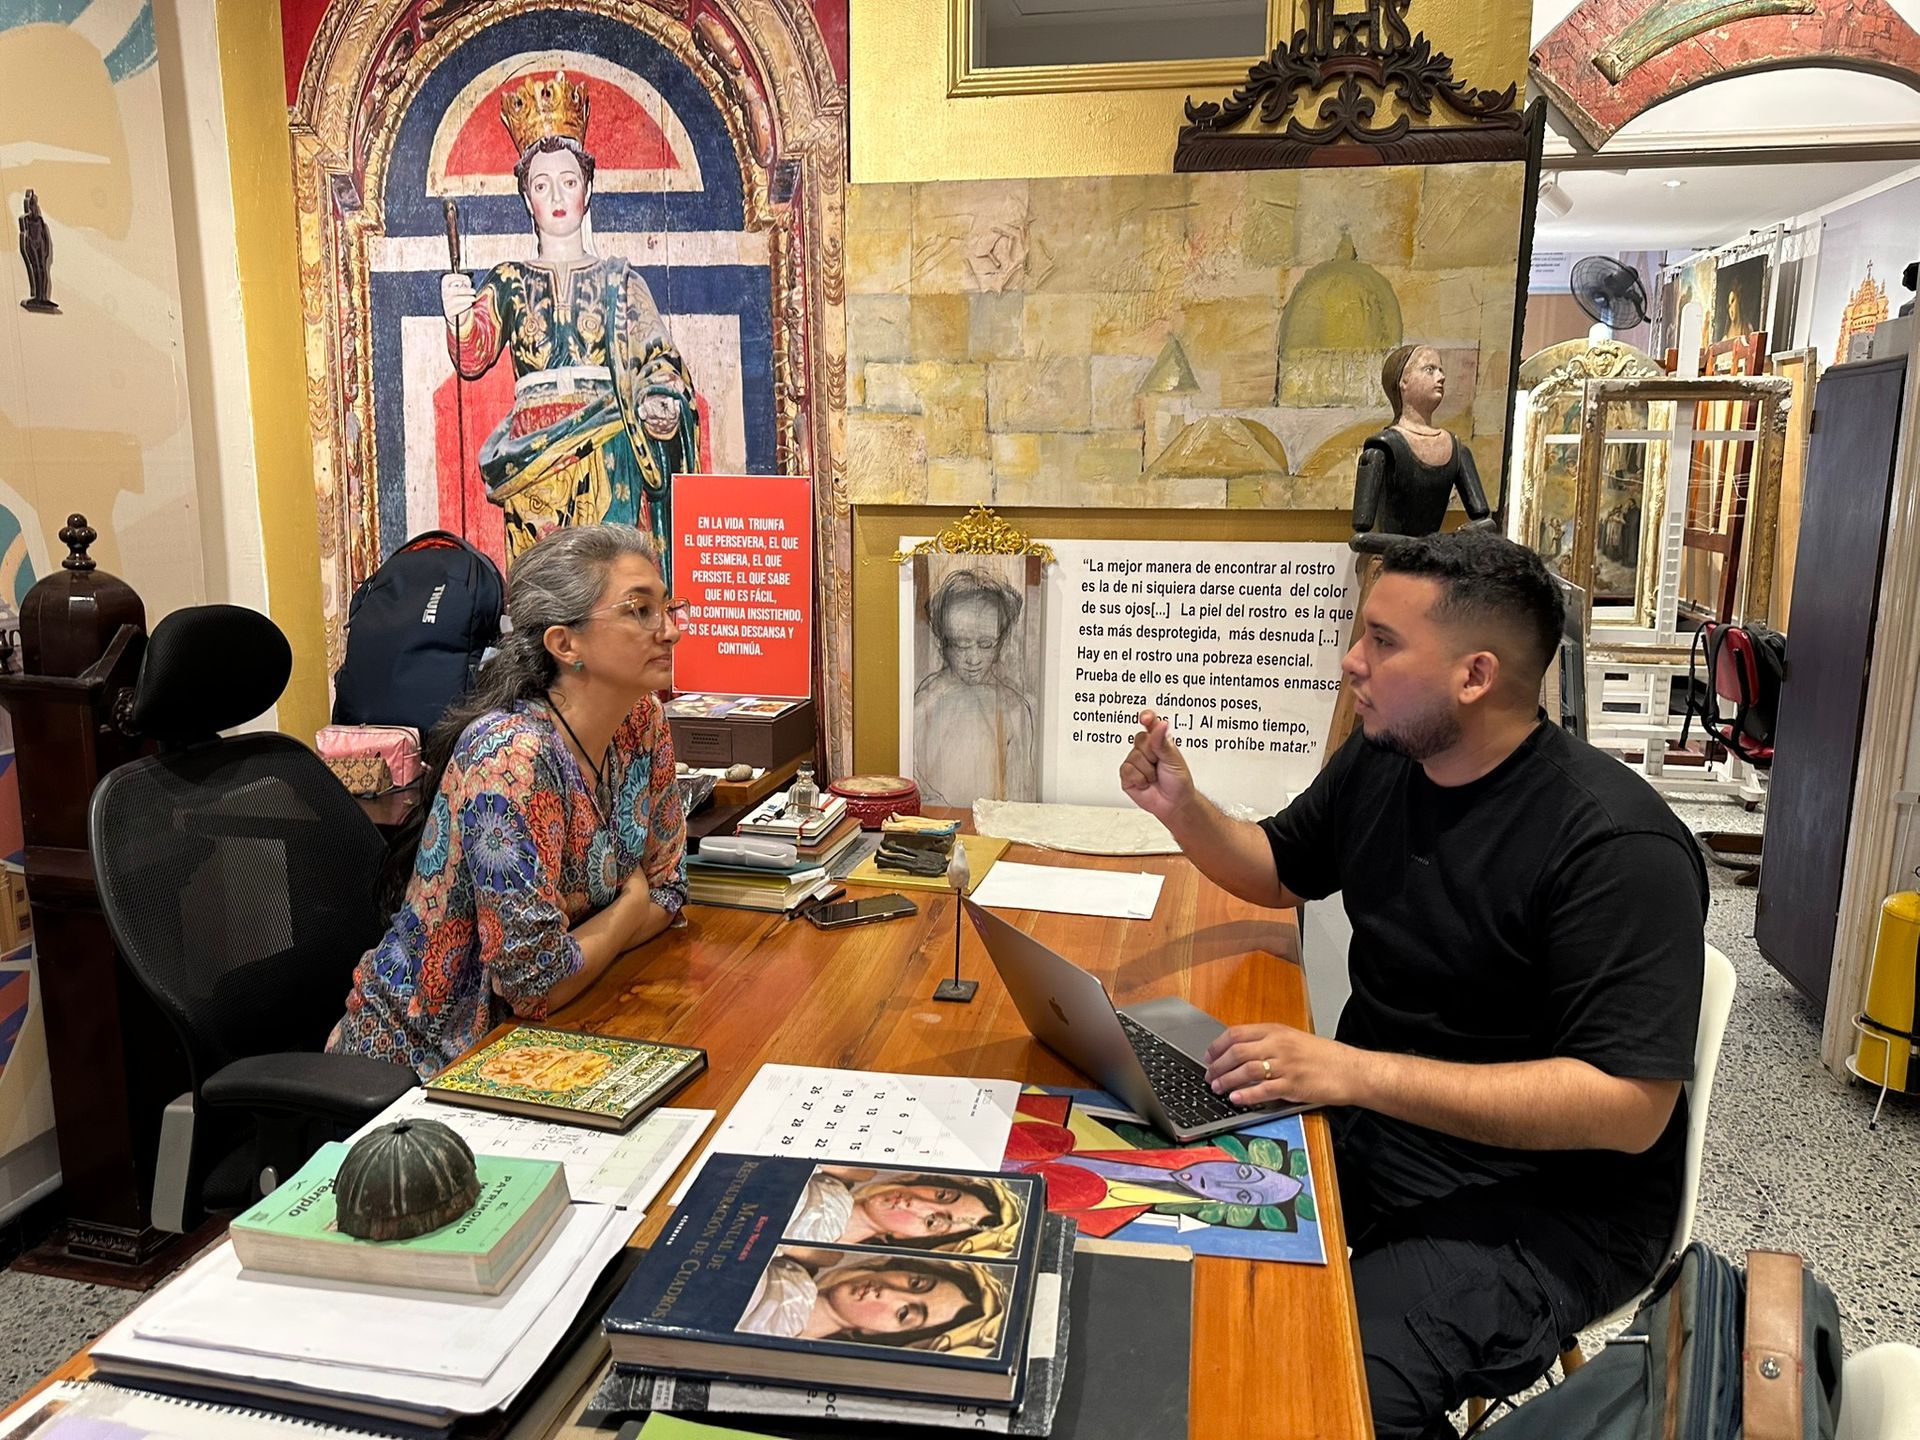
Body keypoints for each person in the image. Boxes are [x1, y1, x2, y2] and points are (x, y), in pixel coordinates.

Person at [1118, 530, 1707, 1440]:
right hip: (1376, 1134)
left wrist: (1354, 1073)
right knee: (1143, 1226)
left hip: (1549, 1206)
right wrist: (1184, 810)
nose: (1352, 662)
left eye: (1383, 643)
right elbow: (1281, 867)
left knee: (1330, 1391)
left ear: (1474, 676)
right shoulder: (1388, 755)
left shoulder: (1615, 848)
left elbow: (1628, 1107)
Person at [328, 524, 689, 1079]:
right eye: (639, 611)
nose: (669, 632)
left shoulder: (641, 720)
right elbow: (536, 984)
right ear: (565, 644)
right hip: (427, 1066)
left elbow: (670, 886)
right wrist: (631, 907)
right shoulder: (509, 759)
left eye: (668, 607)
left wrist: (602, 935)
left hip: (541, 1041)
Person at [442, 70, 700, 573]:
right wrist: (457, 313)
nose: (556, 195)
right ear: (526, 199)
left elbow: (659, 360)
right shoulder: (510, 279)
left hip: (608, 447)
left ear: (587, 191)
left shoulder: (620, 282)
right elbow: (473, 354)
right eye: (542, 184)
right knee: (546, 593)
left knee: (607, 584)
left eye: (568, 181)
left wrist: (661, 400)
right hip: (531, 455)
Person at [1350, 345, 1495, 554]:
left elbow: (1484, 521)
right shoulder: (1383, 447)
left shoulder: (1455, 448)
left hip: (1435, 565)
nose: (1441, 377)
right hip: (1393, 567)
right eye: (1430, 369)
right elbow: (1361, 535)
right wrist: (1429, 547)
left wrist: (1440, 545)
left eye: (1441, 370)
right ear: (1403, 382)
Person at [911, 568, 1037, 808]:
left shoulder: (1015, 709)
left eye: (986, 644)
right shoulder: (923, 705)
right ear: (943, 643)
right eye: (961, 645)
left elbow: (1022, 794)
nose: (974, 659)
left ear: (1000, 642)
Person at [738, 1250, 1004, 1353]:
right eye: (915, 1283)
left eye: (904, 1314)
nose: (887, 1292)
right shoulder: (792, 1264)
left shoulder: (771, 1346)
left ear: (879, 1337)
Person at [782, 1167, 1019, 1255]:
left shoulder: (813, 1253)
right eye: (942, 1195)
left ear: (907, 1240)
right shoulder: (842, 1175)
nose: (914, 1202)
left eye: (932, 1221)